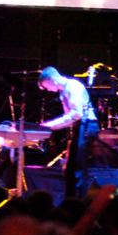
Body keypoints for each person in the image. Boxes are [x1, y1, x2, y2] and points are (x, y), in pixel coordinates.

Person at [38, 66, 99, 198]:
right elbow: (70, 118)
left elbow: (76, 115)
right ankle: (71, 199)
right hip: (80, 126)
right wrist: (47, 127)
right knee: (70, 168)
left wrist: (48, 126)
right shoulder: (63, 92)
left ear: (52, 80)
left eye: (46, 86)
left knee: (77, 167)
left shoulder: (73, 87)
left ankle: (77, 202)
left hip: (87, 126)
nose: (48, 90)